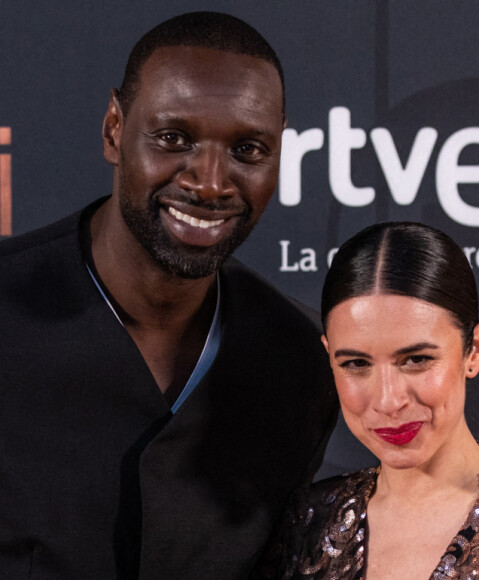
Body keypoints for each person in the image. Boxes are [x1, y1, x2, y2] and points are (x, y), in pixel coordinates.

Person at [0, 12, 337, 579]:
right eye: (173, 138)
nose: (209, 181)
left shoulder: (302, 360)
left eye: (248, 150)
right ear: (114, 129)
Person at [255, 222, 479, 579]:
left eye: (416, 360)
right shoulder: (307, 523)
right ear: (329, 356)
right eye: (356, 364)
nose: (388, 400)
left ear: (475, 350)